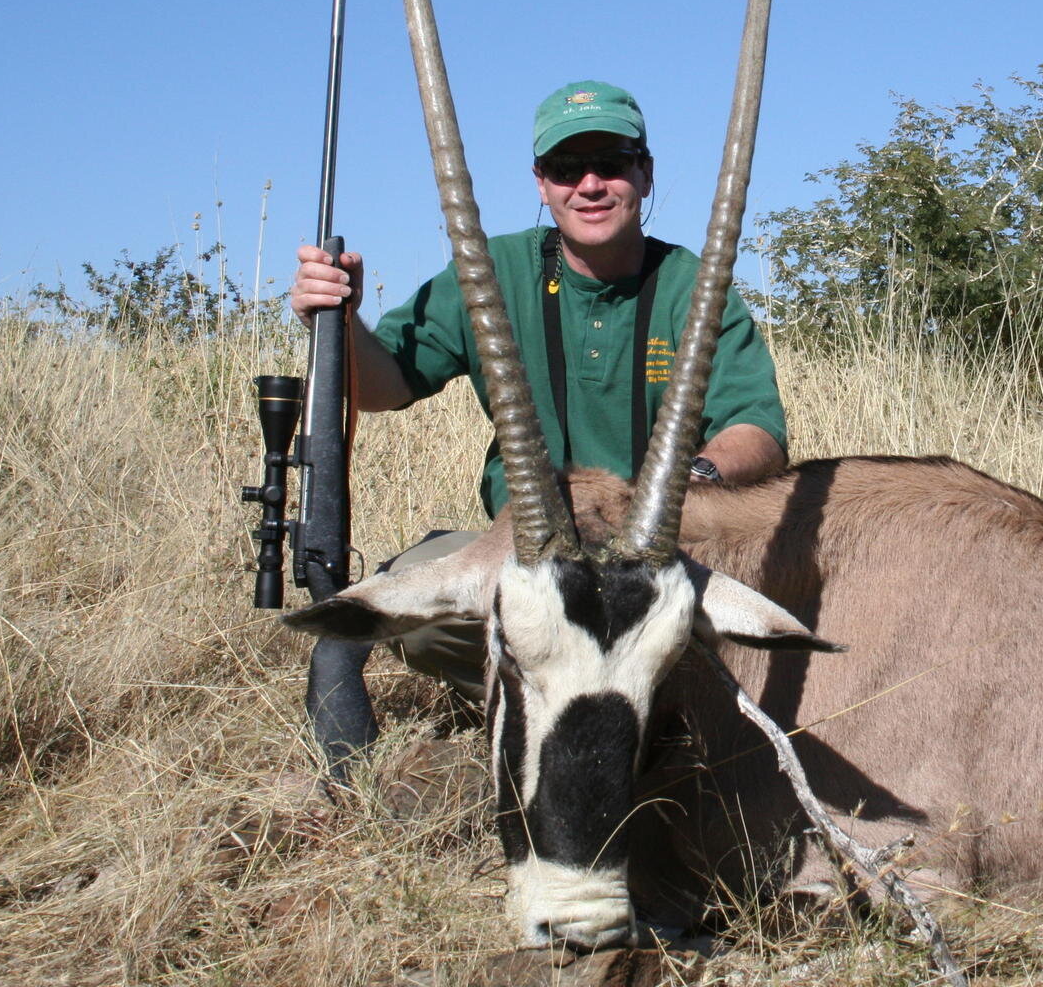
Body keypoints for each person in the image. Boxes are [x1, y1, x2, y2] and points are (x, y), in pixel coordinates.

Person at [288, 79, 788, 702]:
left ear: (645, 174)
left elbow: (758, 430)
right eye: (566, 168)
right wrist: (336, 321)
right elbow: (385, 384)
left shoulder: (695, 286)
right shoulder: (490, 272)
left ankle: (583, 692)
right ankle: (603, 695)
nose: (590, 185)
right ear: (541, 183)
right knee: (419, 617)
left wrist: (688, 483)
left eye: (611, 164)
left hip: (658, 554)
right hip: (532, 555)